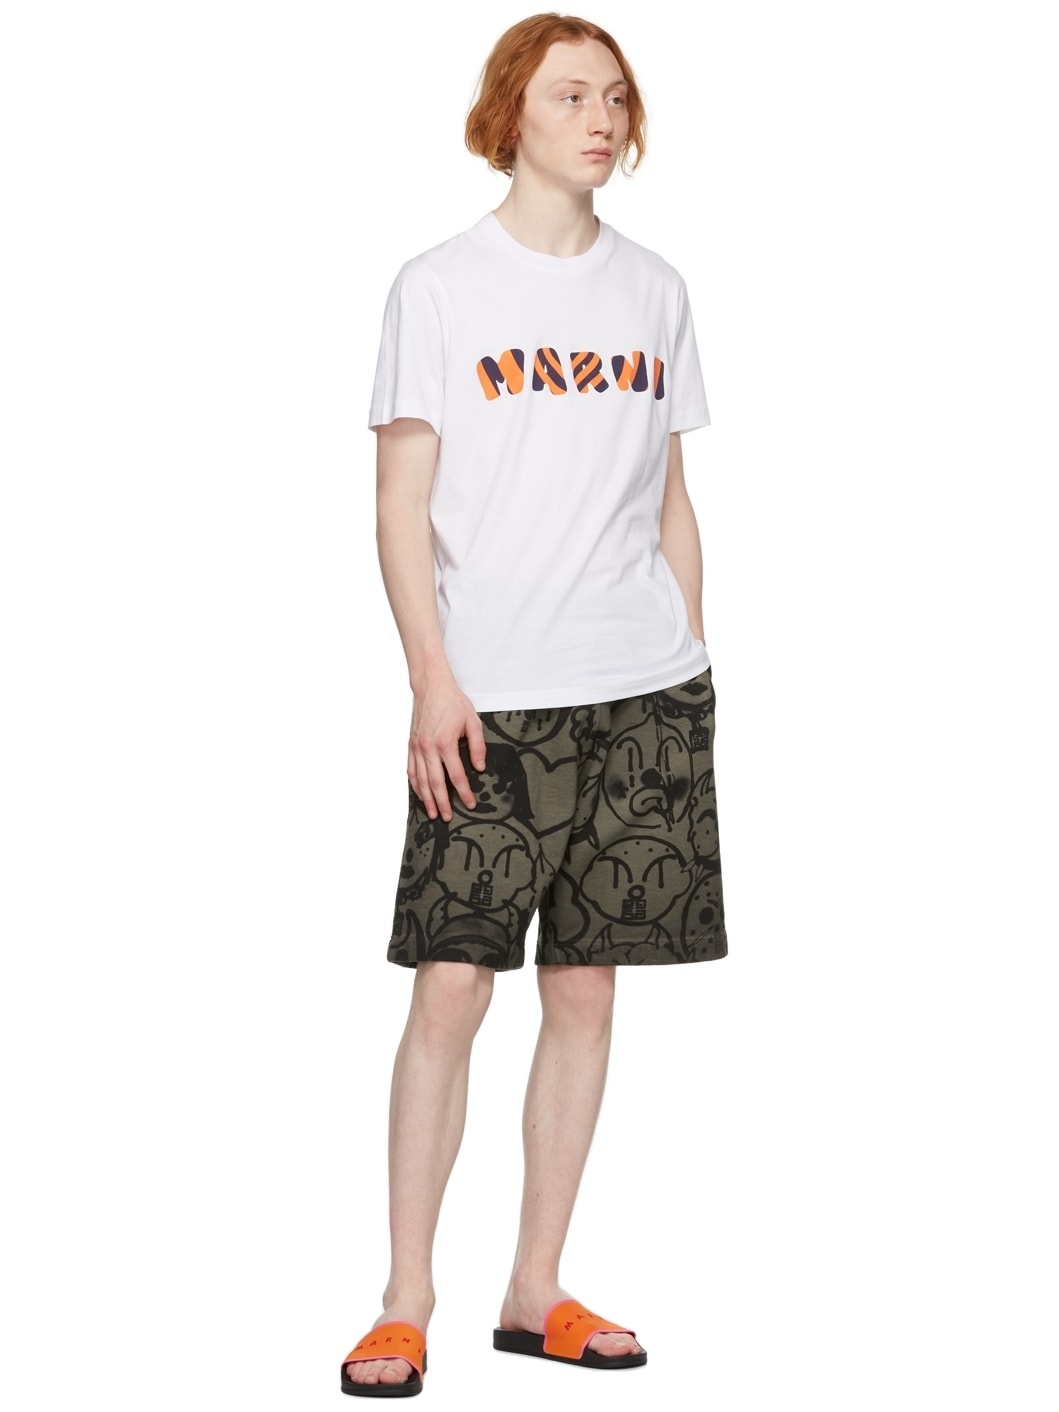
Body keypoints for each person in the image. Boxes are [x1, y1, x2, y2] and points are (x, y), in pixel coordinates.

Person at [340, 12, 728, 1397]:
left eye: (616, 97)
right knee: (453, 985)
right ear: (511, 115)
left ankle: (534, 1289)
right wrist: (431, 680)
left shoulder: (656, 290)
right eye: (572, 96)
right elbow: (399, 505)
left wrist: (690, 656)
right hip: (490, 700)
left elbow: (669, 494)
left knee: (586, 990)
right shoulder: (440, 288)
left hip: (642, 692)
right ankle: (405, 1300)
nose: (602, 119)